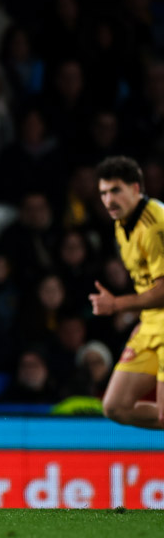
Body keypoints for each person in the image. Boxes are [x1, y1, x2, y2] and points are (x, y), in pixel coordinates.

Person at [89, 156, 164, 429]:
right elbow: (147, 282)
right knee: (114, 407)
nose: (109, 200)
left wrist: (116, 305)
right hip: (153, 322)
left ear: (136, 188)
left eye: (116, 190)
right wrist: (145, 319)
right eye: (104, 193)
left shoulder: (155, 226)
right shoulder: (122, 224)